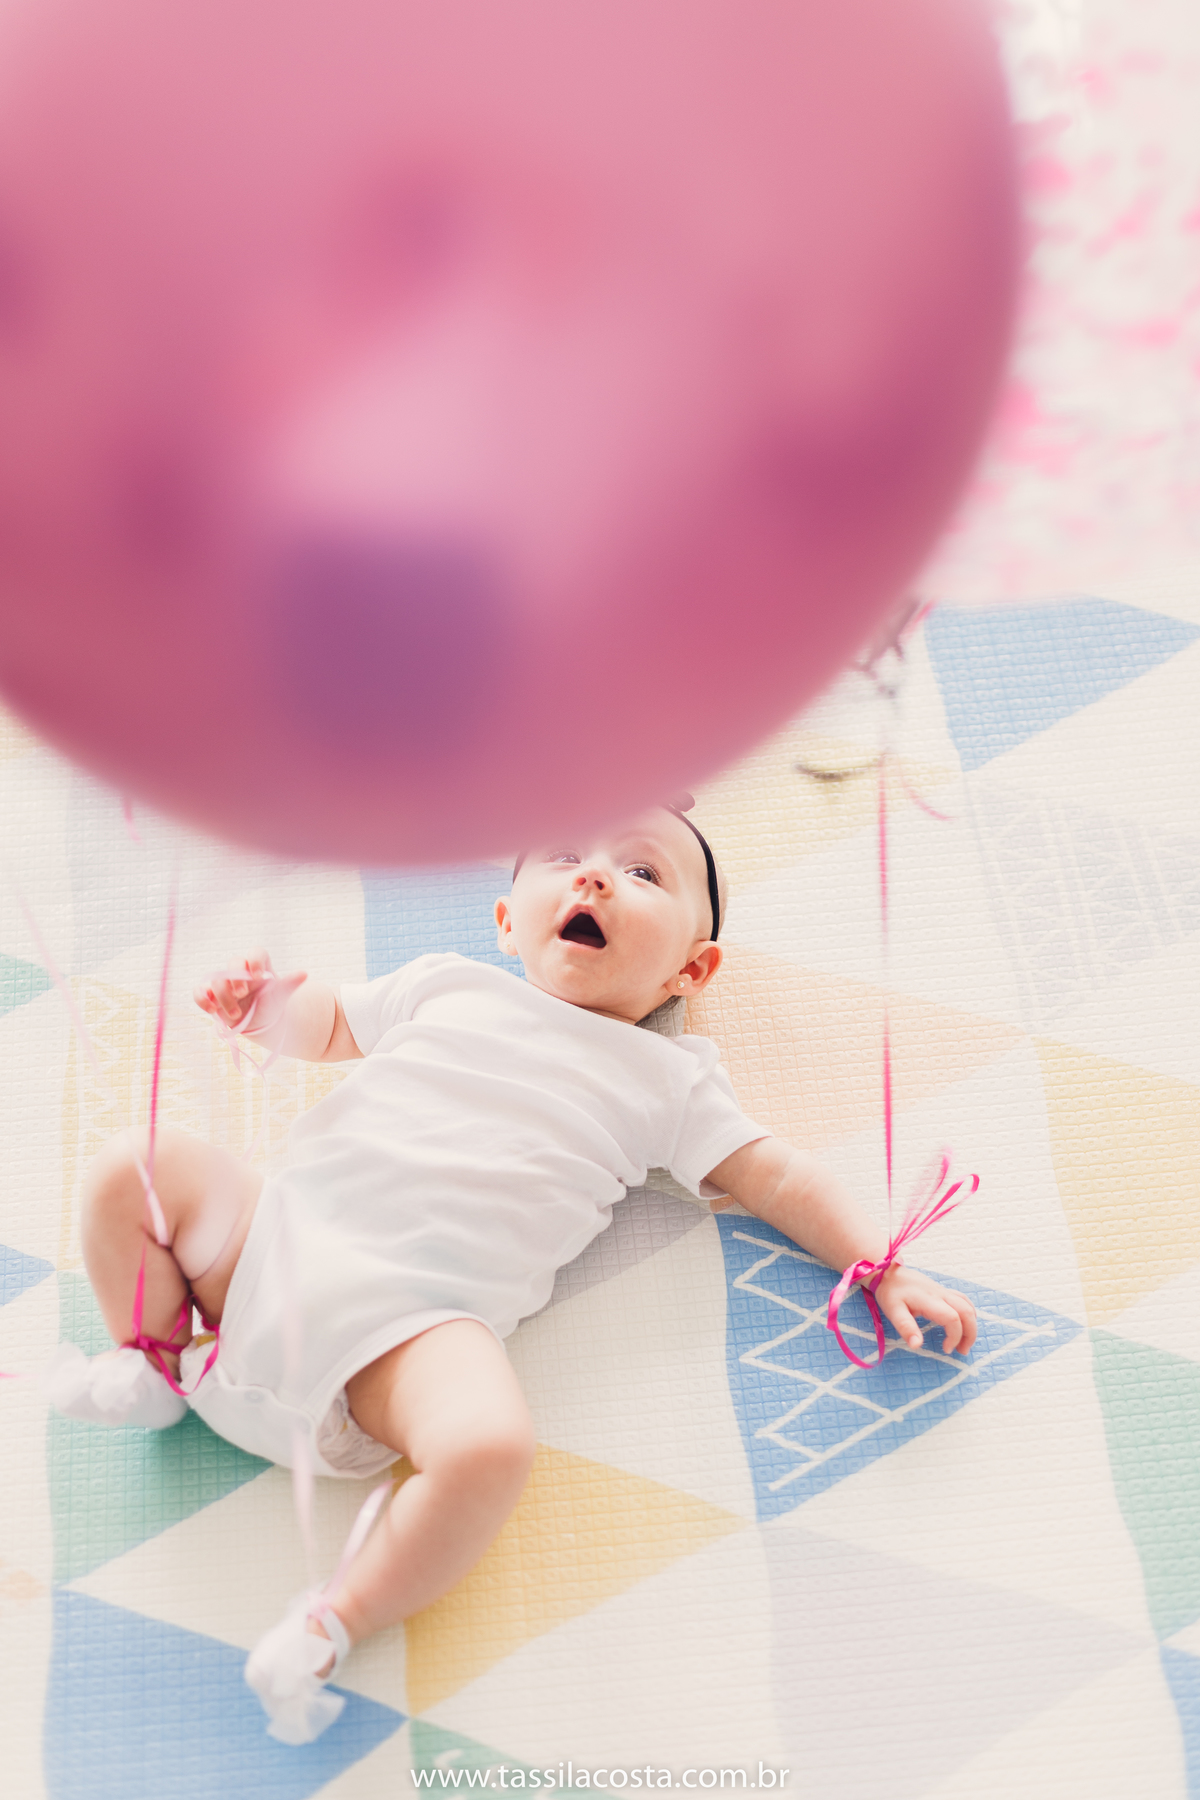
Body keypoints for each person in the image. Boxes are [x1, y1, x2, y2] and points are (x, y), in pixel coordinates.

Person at [44, 803, 977, 1741]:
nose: (595, 878)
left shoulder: (668, 1080)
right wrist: (264, 1008)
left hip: (408, 1334)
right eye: (565, 858)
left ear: (690, 969)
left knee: (489, 1447)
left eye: (644, 875)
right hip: (272, 1244)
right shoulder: (446, 985)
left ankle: (334, 1620)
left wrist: (877, 1262)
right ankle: (154, 1358)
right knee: (137, 1167)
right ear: (504, 920)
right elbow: (329, 1023)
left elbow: (776, 1173)